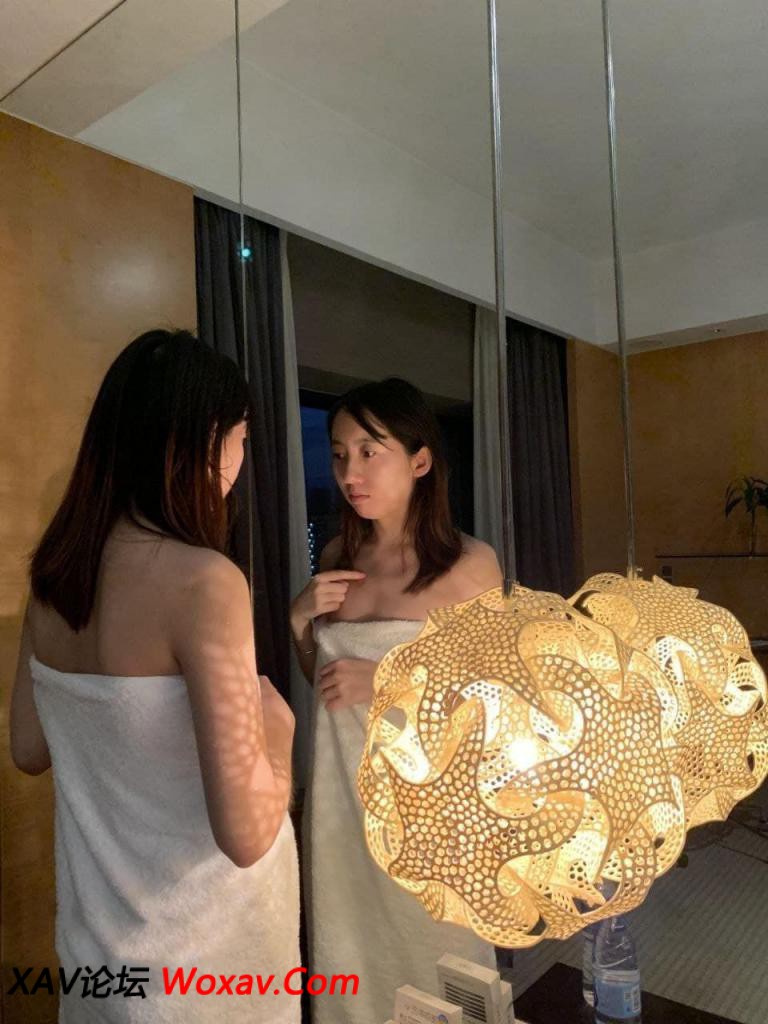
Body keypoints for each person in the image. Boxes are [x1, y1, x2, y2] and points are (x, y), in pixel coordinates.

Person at [10, 329, 300, 1023]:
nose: (239, 462)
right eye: (241, 439)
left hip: (97, 957)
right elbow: (247, 836)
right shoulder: (204, 583)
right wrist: (282, 741)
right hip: (205, 964)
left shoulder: (54, 579)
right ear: (205, 443)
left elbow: (27, 748)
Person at [291, 377, 503, 1024]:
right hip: (340, 805)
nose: (349, 473)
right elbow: (326, 683)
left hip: (430, 810)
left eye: (368, 451)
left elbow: (500, 700)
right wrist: (299, 623)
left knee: (439, 960)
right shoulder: (338, 555)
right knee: (349, 964)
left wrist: (388, 683)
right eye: (338, 454)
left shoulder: (470, 565)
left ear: (420, 460)